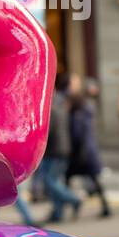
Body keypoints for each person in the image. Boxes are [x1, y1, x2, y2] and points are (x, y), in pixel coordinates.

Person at [40, 73, 84, 223]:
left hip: (54, 149)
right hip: (61, 147)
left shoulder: (51, 104)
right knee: (54, 180)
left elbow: (49, 128)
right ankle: (57, 212)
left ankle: (74, 199)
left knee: (50, 181)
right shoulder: (61, 102)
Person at [68, 76, 111, 217]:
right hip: (88, 151)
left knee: (69, 177)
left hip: (81, 152)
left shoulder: (79, 114)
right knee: (94, 179)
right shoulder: (87, 110)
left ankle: (73, 204)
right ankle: (104, 206)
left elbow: (78, 134)